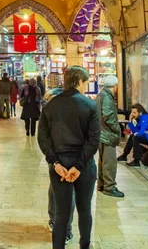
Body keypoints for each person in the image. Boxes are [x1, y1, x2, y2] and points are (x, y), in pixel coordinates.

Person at [38, 66, 100, 249]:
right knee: (84, 209)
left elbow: (42, 137)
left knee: (61, 213)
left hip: (60, 167)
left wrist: (54, 162)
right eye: (85, 83)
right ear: (80, 82)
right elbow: (94, 140)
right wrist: (79, 166)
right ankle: (85, 245)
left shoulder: (50, 105)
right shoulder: (90, 105)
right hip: (84, 166)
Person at [43, 84, 75, 244]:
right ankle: (60, 224)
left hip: (65, 158)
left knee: (62, 190)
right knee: (60, 190)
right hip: (59, 158)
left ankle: (61, 225)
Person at [96, 75, 124, 198]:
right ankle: (109, 186)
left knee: (103, 161)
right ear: (115, 86)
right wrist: (117, 128)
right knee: (109, 162)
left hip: (101, 134)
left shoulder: (101, 95)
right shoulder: (107, 97)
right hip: (107, 135)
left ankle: (102, 184)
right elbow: (107, 115)